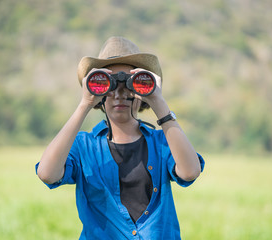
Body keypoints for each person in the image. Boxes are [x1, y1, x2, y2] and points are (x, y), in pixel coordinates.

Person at [36, 36, 205, 240]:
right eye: (110, 84)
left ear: (140, 90)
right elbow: (47, 173)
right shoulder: (83, 147)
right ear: (99, 91)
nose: (119, 94)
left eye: (130, 84)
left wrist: (157, 100)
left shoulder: (163, 141)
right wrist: (85, 104)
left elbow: (190, 172)